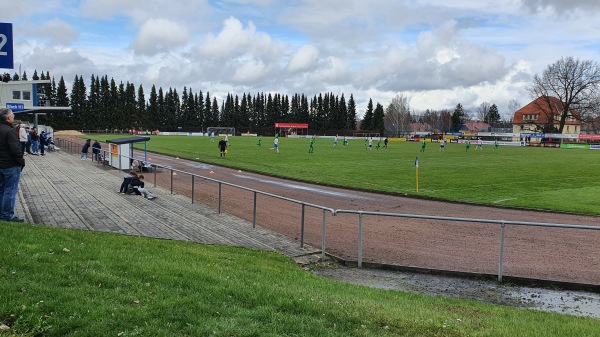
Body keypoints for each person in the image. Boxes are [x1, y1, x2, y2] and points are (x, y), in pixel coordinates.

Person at [0, 108, 25, 222]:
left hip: (1, 165)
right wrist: (21, 162)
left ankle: (2, 213)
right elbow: (15, 150)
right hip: (10, 166)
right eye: (13, 116)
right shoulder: (10, 131)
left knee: (2, 189)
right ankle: (7, 215)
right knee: (10, 190)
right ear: (8, 118)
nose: (14, 118)